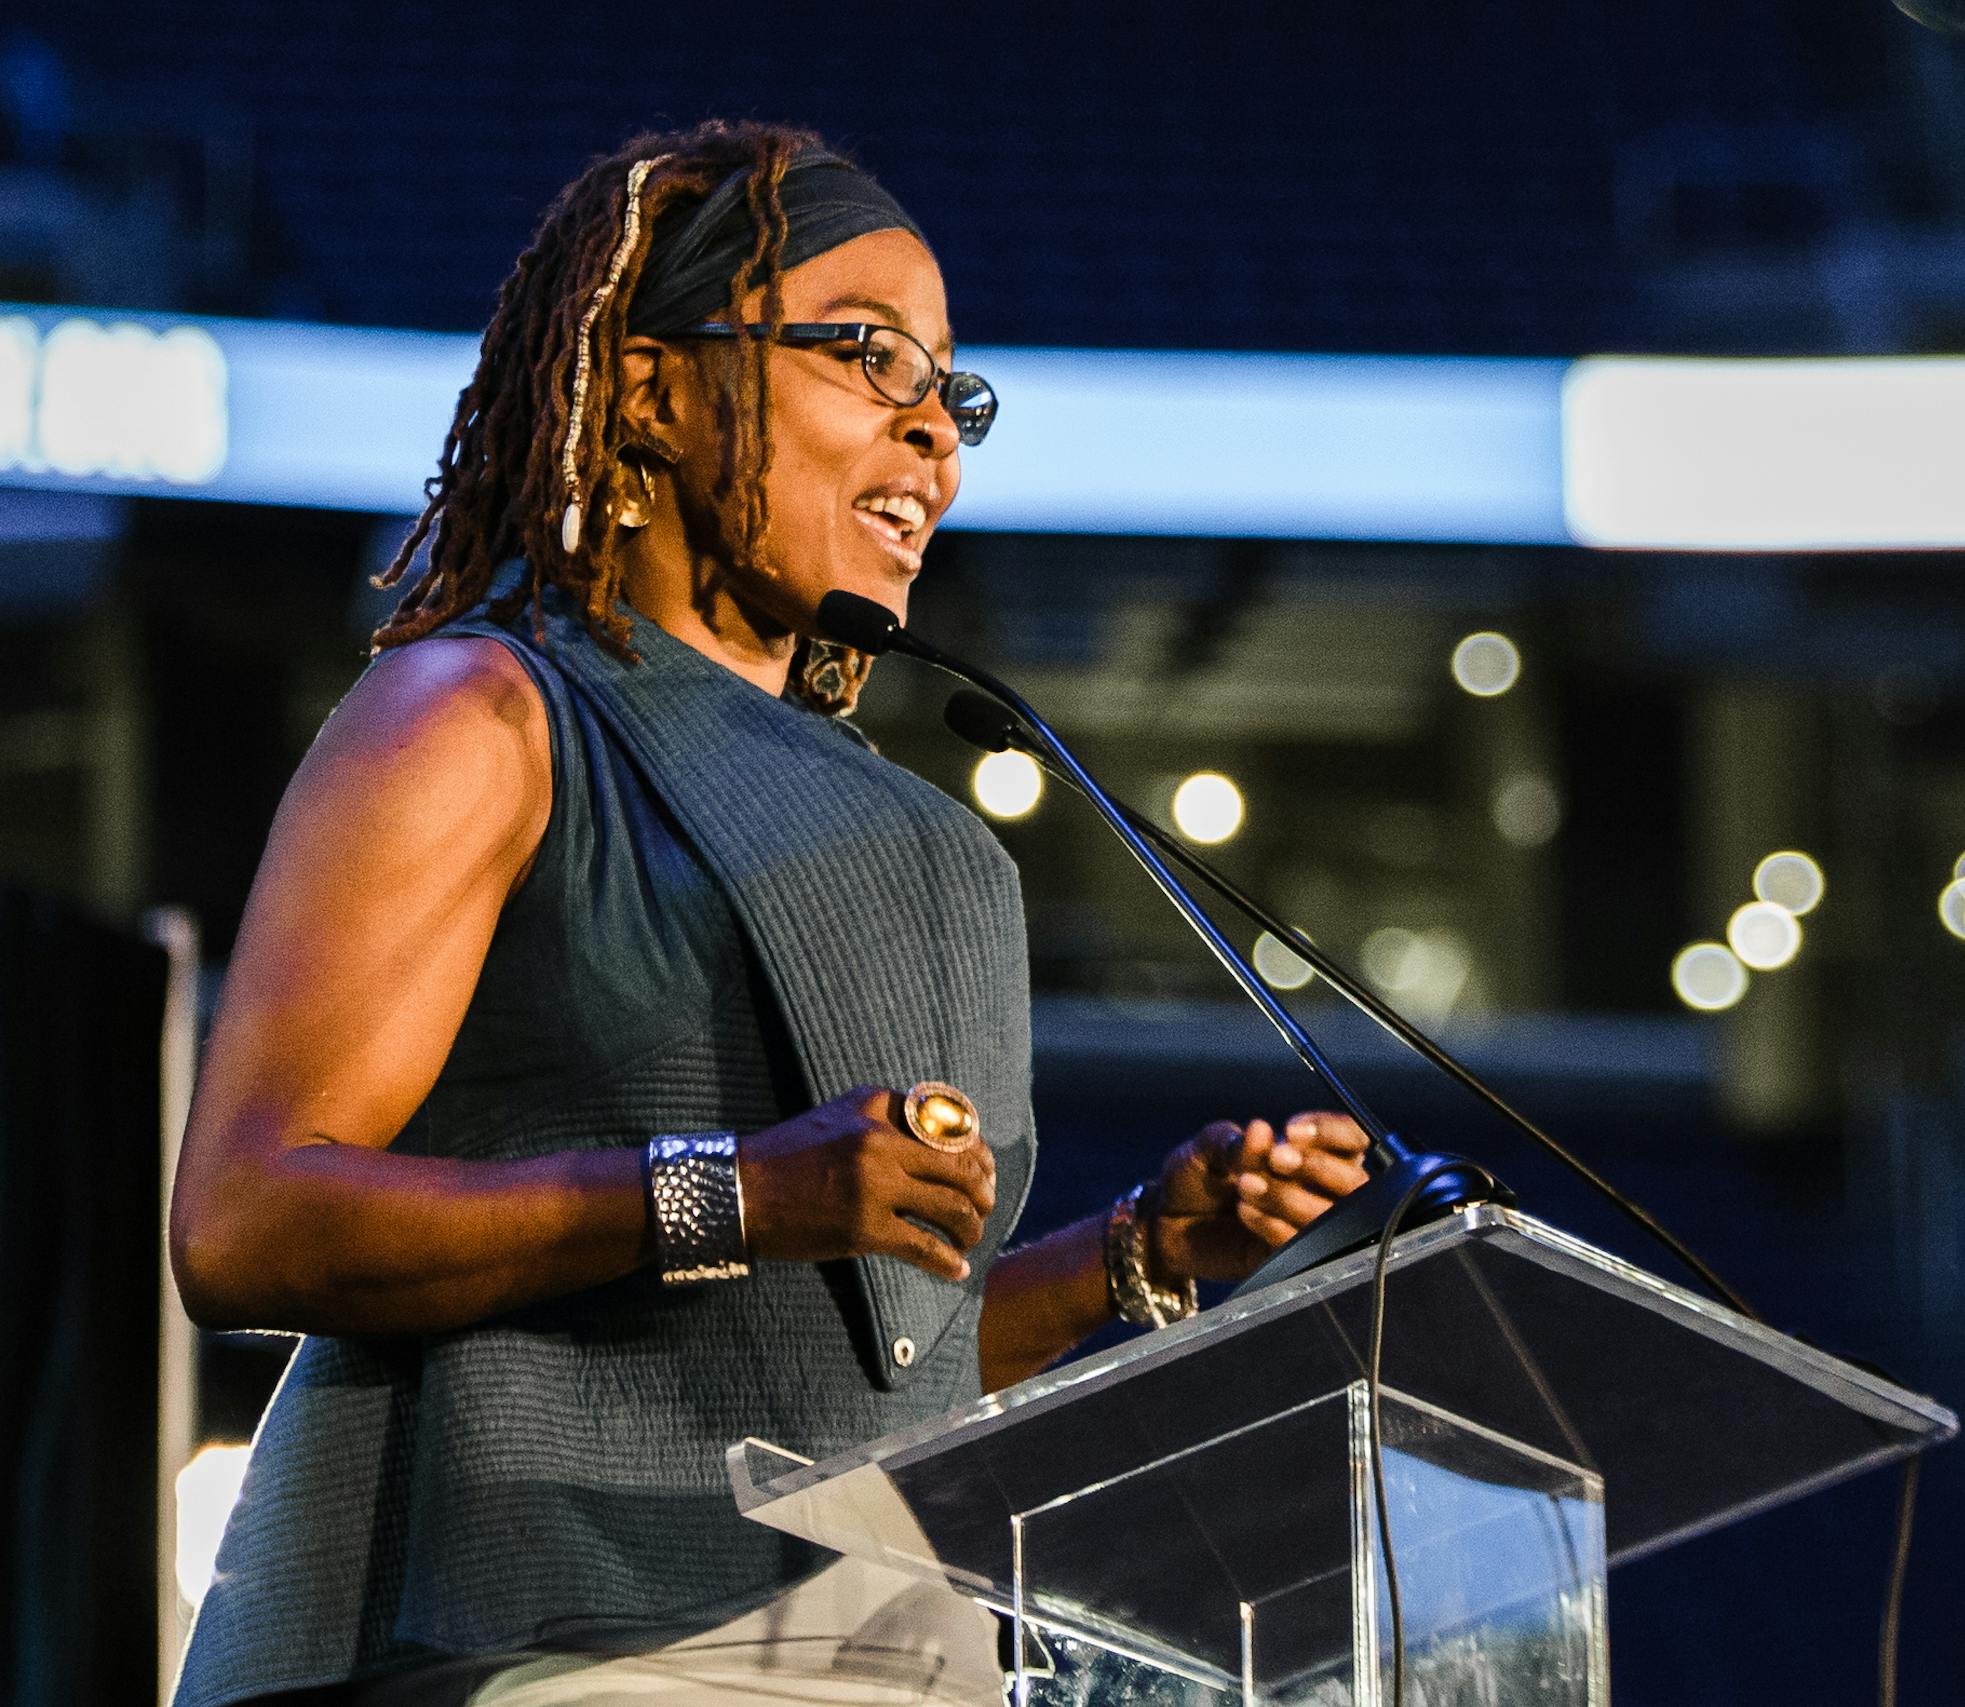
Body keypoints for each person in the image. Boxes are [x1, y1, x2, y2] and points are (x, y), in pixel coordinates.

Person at [167, 119, 1371, 1706]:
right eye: (871, 359)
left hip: (870, 1657)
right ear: (657, 391)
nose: (937, 435)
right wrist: (735, 1194)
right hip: (516, 1646)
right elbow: (245, 1224)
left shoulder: (938, 847)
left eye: (954, 393)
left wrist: (1134, 1258)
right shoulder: (483, 715)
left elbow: (872, 1386)